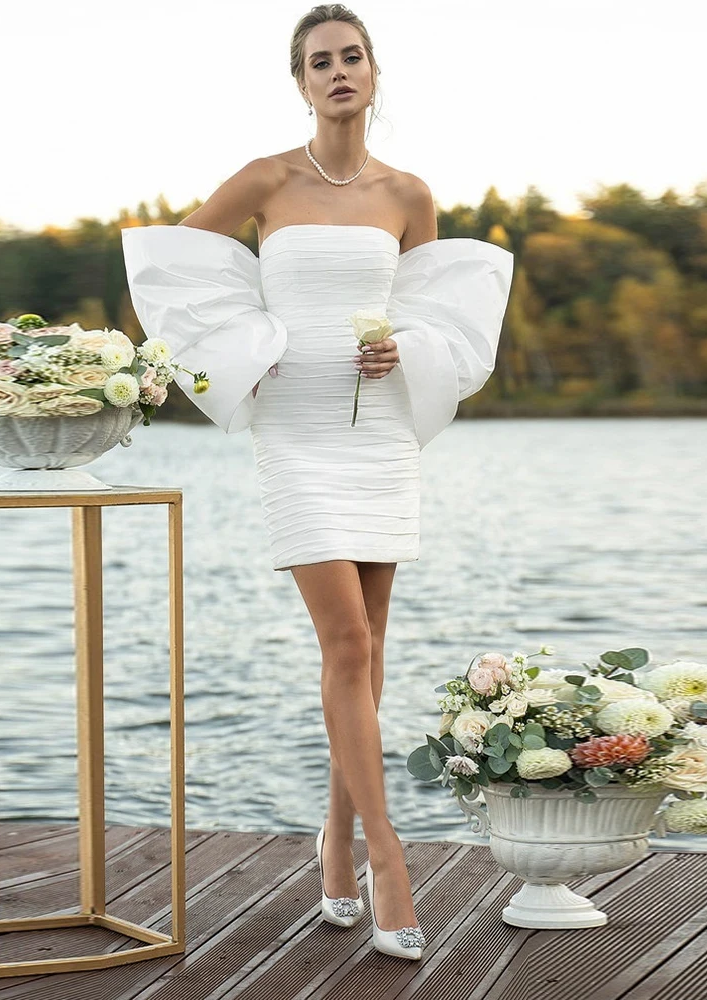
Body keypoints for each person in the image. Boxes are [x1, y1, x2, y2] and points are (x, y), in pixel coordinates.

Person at [122, 3, 513, 961]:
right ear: (298, 81)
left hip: (376, 432)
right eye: (319, 62)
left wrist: (403, 353)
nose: (338, 72)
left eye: (352, 57)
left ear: (375, 73)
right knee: (344, 640)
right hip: (295, 428)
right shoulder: (266, 178)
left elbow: (435, 320)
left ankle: (332, 847)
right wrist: (249, 350)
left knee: (369, 652)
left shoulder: (410, 194)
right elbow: (179, 283)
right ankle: (389, 853)